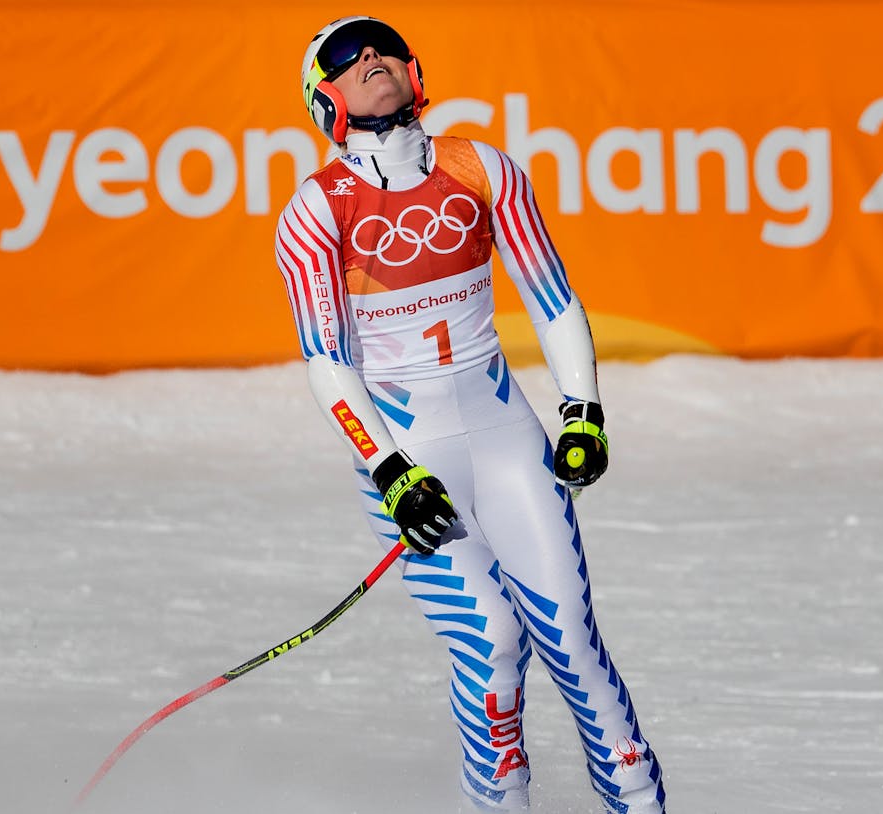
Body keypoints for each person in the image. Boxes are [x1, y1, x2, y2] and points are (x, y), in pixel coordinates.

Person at [274, 16, 667, 814]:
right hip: (411, 460)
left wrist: (583, 410)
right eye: (348, 57)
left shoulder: (481, 166)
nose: (372, 57)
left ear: (414, 70)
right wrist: (390, 471)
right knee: (492, 645)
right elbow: (328, 362)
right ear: (325, 99)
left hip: (507, 443)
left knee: (576, 652)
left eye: (383, 44)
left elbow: (551, 298)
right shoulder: (316, 212)